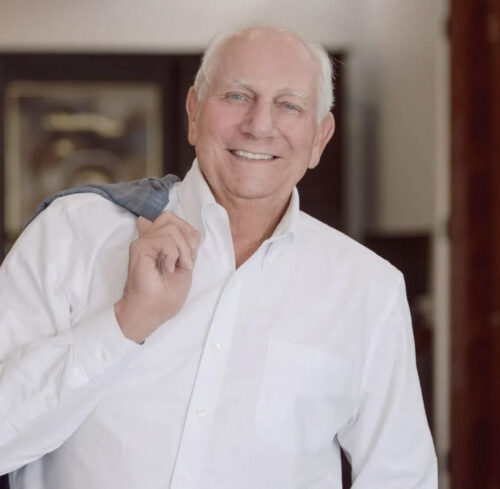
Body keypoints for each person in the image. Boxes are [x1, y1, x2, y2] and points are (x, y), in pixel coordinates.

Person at [0, 26, 437, 488]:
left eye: (289, 105)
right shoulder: (73, 234)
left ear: (319, 138)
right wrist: (127, 322)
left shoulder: (368, 288)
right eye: (237, 95)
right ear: (194, 112)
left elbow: (401, 478)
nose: (259, 125)